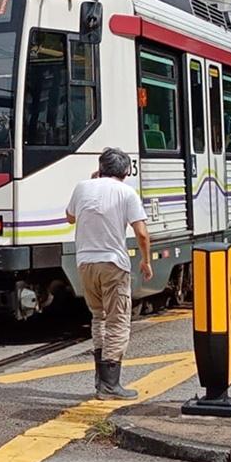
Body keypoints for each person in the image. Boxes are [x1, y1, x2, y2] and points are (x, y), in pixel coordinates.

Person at [66, 147, 153, 400]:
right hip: (113, 263)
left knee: (98, 317)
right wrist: (146, 261)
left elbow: (70, 217)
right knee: (117, 321)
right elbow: (142, 233)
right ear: (126, 171)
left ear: (100, 168)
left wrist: (94, 182)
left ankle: (100, 381)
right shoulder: (127, 192)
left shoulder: (82, 187)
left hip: (84, 263)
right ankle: (110, 385)